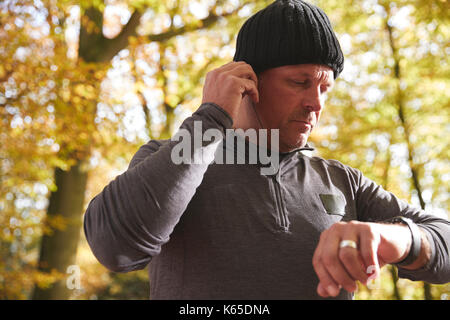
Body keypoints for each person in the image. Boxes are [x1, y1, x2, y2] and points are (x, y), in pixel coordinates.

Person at [84, 0, 450, 299]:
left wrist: (399, 238)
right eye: (299, 83)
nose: (316, 103)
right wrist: (211, 117)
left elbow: (445, 239)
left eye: (325, 88)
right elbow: (113, 245)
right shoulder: (178, 155)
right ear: (247, 80)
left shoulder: (341, 180)